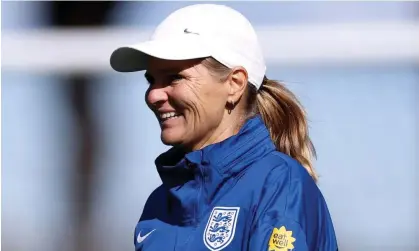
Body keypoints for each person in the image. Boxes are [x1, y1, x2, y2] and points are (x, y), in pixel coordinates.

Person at [110, 3, 338, 251]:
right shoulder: (159, 206)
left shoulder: (277, 183)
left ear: (235, 83)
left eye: (175, 77)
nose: (153, 95)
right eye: (152, 80)